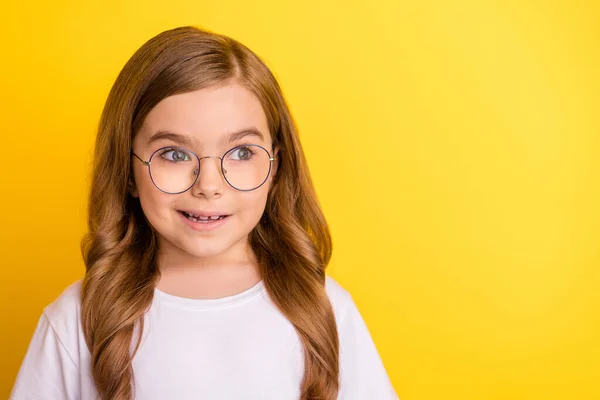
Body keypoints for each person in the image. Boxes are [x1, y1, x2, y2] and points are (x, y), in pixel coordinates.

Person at [9, 26, 398, 400]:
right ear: (127, 171)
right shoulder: (77, 320)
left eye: (242, 152)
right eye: (174, 154)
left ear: (275, 167)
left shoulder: (325, 309)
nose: (209, 185)